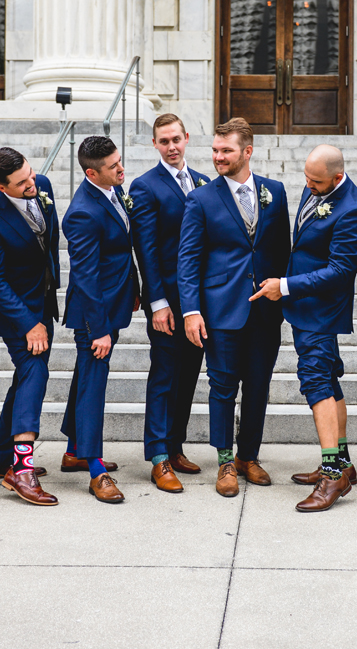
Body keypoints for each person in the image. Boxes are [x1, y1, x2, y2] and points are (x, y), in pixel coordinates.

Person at [250, 144, 357, 513]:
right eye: (306, 177)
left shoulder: (353, 210)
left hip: (320, 308)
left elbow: (339, 271)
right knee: (329, 378)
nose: (307, 185)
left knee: (316, 380)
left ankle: (332, 474)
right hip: (304, 305)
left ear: (337, 177)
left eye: (315, 181)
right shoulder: (317, 185)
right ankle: (343, 462)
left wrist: (283, 285)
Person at [178, 118, 290, 497]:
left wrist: (285, 293)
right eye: (214, 150)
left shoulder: (274, 192)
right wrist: (191, 310)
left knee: (258, 386)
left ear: (247, 151)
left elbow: (281, 250)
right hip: (220, 310)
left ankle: (249, 456)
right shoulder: (201, 198)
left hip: (264, 310)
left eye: (226, 150)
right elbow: (188, 259)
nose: (218, 157)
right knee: (223, 386)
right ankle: (225, 461)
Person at [0, 147, 62, 505]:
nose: (32, 183)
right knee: (35, 372)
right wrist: (29, 324)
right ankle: (21, 468)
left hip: (44, 303)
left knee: (26, 376)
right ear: (0, 187)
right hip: (14, 313)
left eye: (30, 174)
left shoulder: (44, 186)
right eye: (21, 182)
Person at [129, 114, 211, 492]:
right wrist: (157, 302)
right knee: (163, 376)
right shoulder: (145, 187)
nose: (172, 147)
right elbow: (146, 250)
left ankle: (176, 446)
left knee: (189, 374)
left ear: (187, 138)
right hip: (167, 302)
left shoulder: (204, 181)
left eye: (176, 139)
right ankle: (159, 457)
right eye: (164, 141)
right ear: (155, 145)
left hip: (198, 303)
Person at [59, 136, 140, 503]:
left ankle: (75, 448)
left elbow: (120, 249)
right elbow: (87, 277)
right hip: (96, 314)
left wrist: (133, 288)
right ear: (92, 173)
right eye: (113, 167)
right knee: (94, 385)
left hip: (116, 301)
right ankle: (95, 468)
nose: (121, 169)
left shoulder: (112, 191)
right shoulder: (82, 212)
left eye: (120, 161)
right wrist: (100, 329)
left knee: (85, 378)